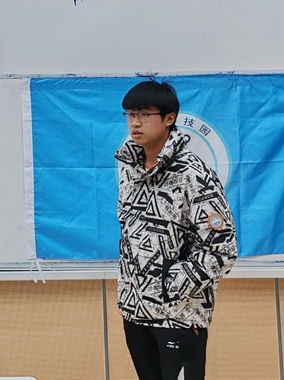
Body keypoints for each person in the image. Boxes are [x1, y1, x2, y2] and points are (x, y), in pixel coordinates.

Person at [114, 79, 237, 380]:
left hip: (179, 316)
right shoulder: (129, 169)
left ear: (169, 118)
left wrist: (169, 285)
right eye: (130, 114)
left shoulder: (193, 173)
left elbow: (223, 251)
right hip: (135, 313)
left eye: (144, 114)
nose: (135, 122)